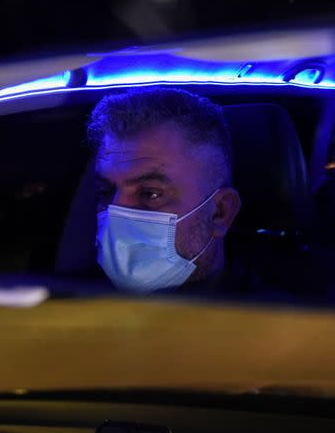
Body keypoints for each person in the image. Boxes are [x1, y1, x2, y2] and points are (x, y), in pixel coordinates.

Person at [88, 87, 244, 294]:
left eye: (150, 194)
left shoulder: (276, 320)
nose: (115, 219)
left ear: (220, 213)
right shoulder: (70, 302)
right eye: (105, 193)